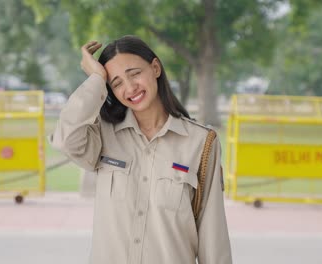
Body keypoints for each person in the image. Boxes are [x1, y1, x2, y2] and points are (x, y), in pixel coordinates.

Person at [49, 35, 232, 264]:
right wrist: (97, 79)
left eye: (134, 73)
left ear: (155, 68)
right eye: (116, 83)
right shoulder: (102, 135)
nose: (130, 87)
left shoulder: (201, 142)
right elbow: (65, 140)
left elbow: (212, 233)